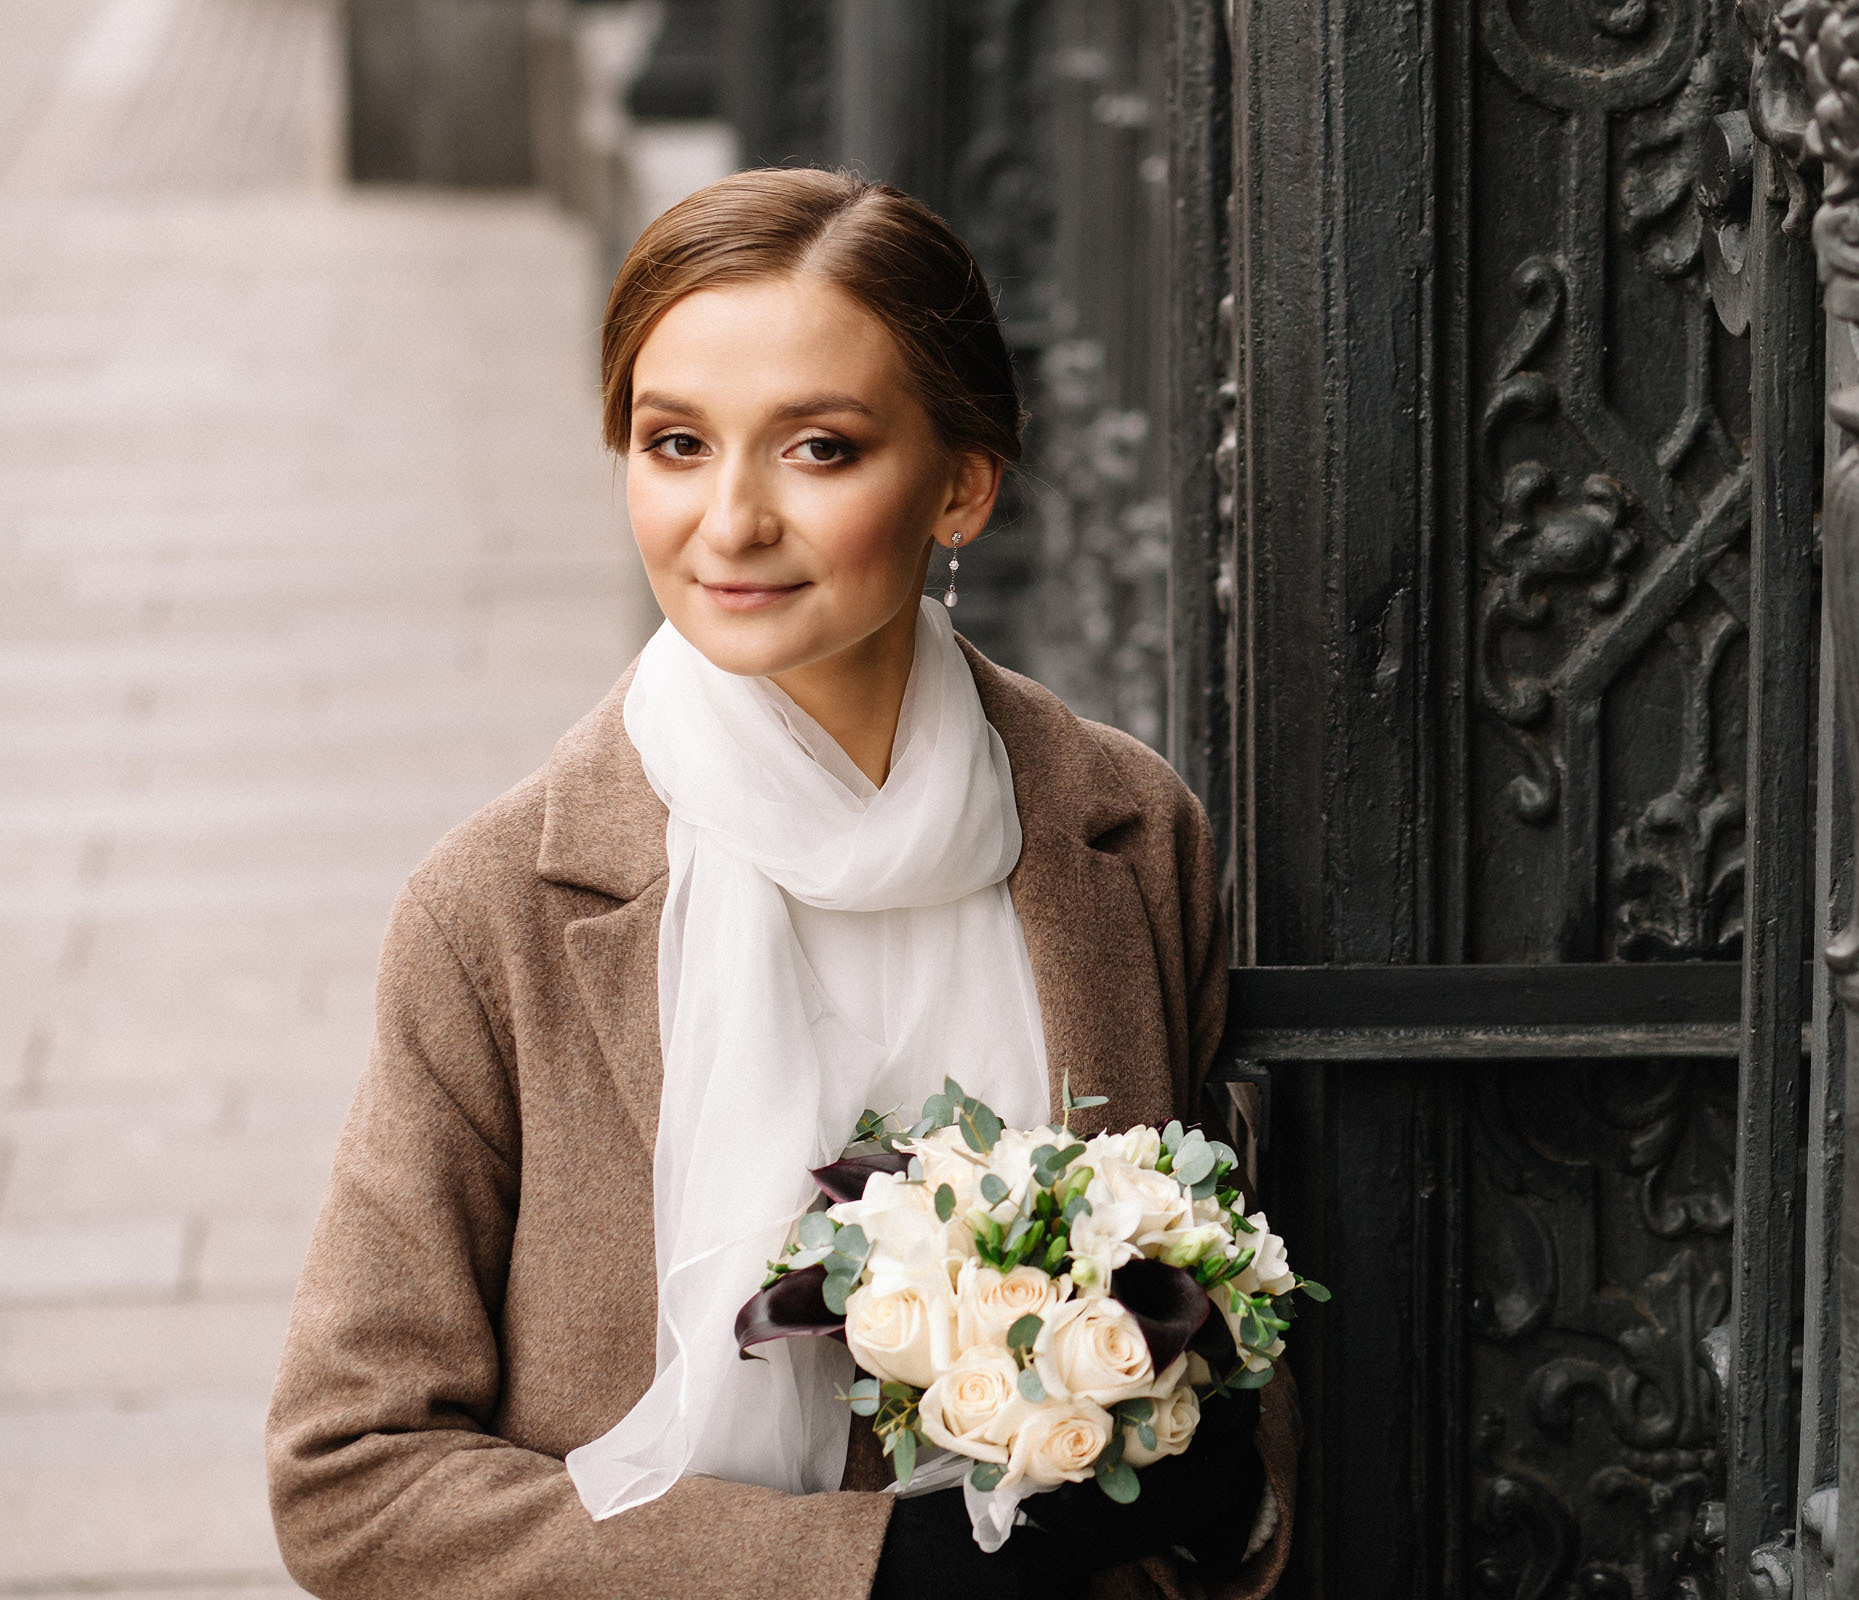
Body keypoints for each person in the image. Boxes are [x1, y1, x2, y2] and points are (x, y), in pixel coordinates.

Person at [266, 167, 1296, 1600]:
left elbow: (1226, 1330)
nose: (731, 521)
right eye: (676, 442)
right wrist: (863, 1573)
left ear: (961, 485)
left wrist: (1218, 1485)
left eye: (818, 448)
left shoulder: (1125, 835)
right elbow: (352, 1478)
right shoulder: (498, 910)